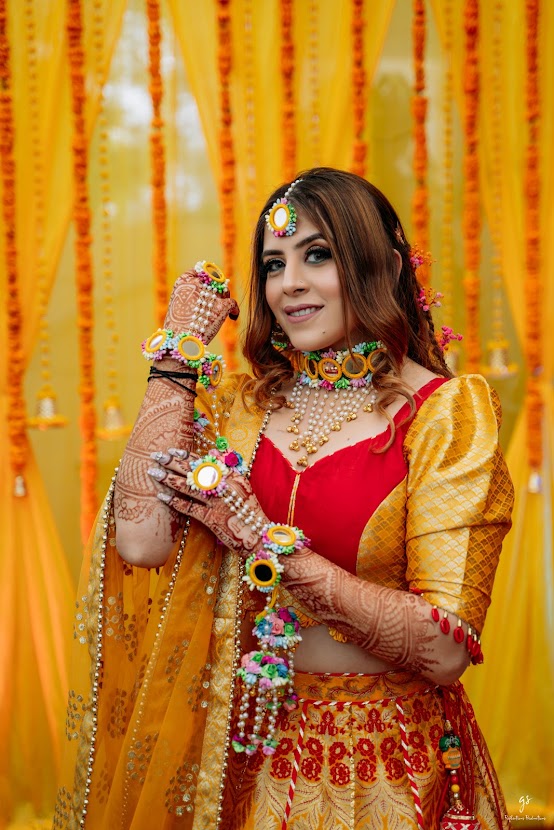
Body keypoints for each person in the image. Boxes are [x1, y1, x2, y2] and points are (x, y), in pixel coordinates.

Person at [54, 168, 514, 830]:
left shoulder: (443, 414)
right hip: (252, 761)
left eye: (317, 255)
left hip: (392, 767)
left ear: (382, 265)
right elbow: (140, 539)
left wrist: (262, 543)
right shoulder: (244, 407)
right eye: (274, 264)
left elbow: (442, 650)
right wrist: (179, 350)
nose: (288, 282)